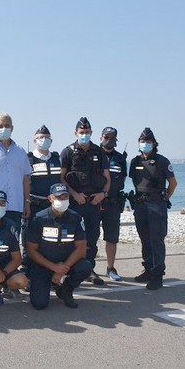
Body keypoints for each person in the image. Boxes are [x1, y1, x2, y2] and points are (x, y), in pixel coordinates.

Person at [60, 117, 110, 286]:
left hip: (94, 203)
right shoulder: (67, 152)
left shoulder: (99, 152)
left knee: (92, 238)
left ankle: (89, 269)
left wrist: (103, 194)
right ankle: (71, 270)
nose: (84, 135)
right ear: (76, 133)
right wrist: (74, 194)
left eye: (87, 132)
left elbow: (107, 178)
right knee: (72, 239)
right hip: (75, 203)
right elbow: (62, 178)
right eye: (81, 132)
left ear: (91, 133)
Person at [26, 183, 92, 310]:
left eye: (65, 197)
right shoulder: (39, 219)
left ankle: (66, 288)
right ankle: (47, 283)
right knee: (39, 304)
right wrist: (53, 267)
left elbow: (81, 248)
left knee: (85, 267)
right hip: (44, 264)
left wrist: (62, 269)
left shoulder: (76, 218)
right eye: (58, 197)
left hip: (66, 264)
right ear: (50, 198)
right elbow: (31, 250)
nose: (62, 200)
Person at [129, 127, 177, 290]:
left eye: (148, 142)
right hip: (140, 205)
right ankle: (148, 269)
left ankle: (157, 275)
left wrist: (165, 198)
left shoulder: (162, 161)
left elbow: (173, 183)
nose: (145, 144)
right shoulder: (135, 162)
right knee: (144, 239)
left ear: (154, 143)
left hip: (157, 205)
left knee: (156, 240)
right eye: (142, 142)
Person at [25, 125, 61, 262]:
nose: (43, 140)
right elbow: (25, 183)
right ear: (34, 141)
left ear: (51, 140)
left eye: (46, 138)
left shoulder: (56, 159)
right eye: (40, 138)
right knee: (30, 237)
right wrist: (26, 203)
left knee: (51, 237)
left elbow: (62, 180)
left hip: (53, 206)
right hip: (35, 205)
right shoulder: (29, 159)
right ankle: (27, 267)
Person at [99, 127, 128, 281]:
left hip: (112, 203)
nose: (109, 139)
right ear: (101, 137)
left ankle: (110, 268)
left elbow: (122, 179)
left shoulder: (120, 158)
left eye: (112, 137)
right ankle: (88, 269)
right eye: (106, 136)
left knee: (112, 238)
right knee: (90, 237)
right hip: (95, 202)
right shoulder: (94, 154)